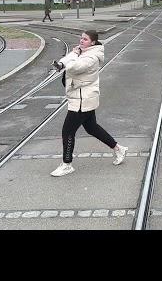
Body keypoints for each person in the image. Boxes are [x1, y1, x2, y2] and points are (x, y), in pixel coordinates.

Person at [50, 30, 128, 176]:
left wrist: (72, 55)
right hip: (82, 97)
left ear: (92, 42)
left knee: (67, 132)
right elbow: (67, 63)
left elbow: (73, 66)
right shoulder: (83, 52)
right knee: (92, 128)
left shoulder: (91, 57)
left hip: (82, 100)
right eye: (81, 38)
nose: (81, 41)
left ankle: (67, 164)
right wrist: (61, 63)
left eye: (85, 39)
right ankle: (118, 149)